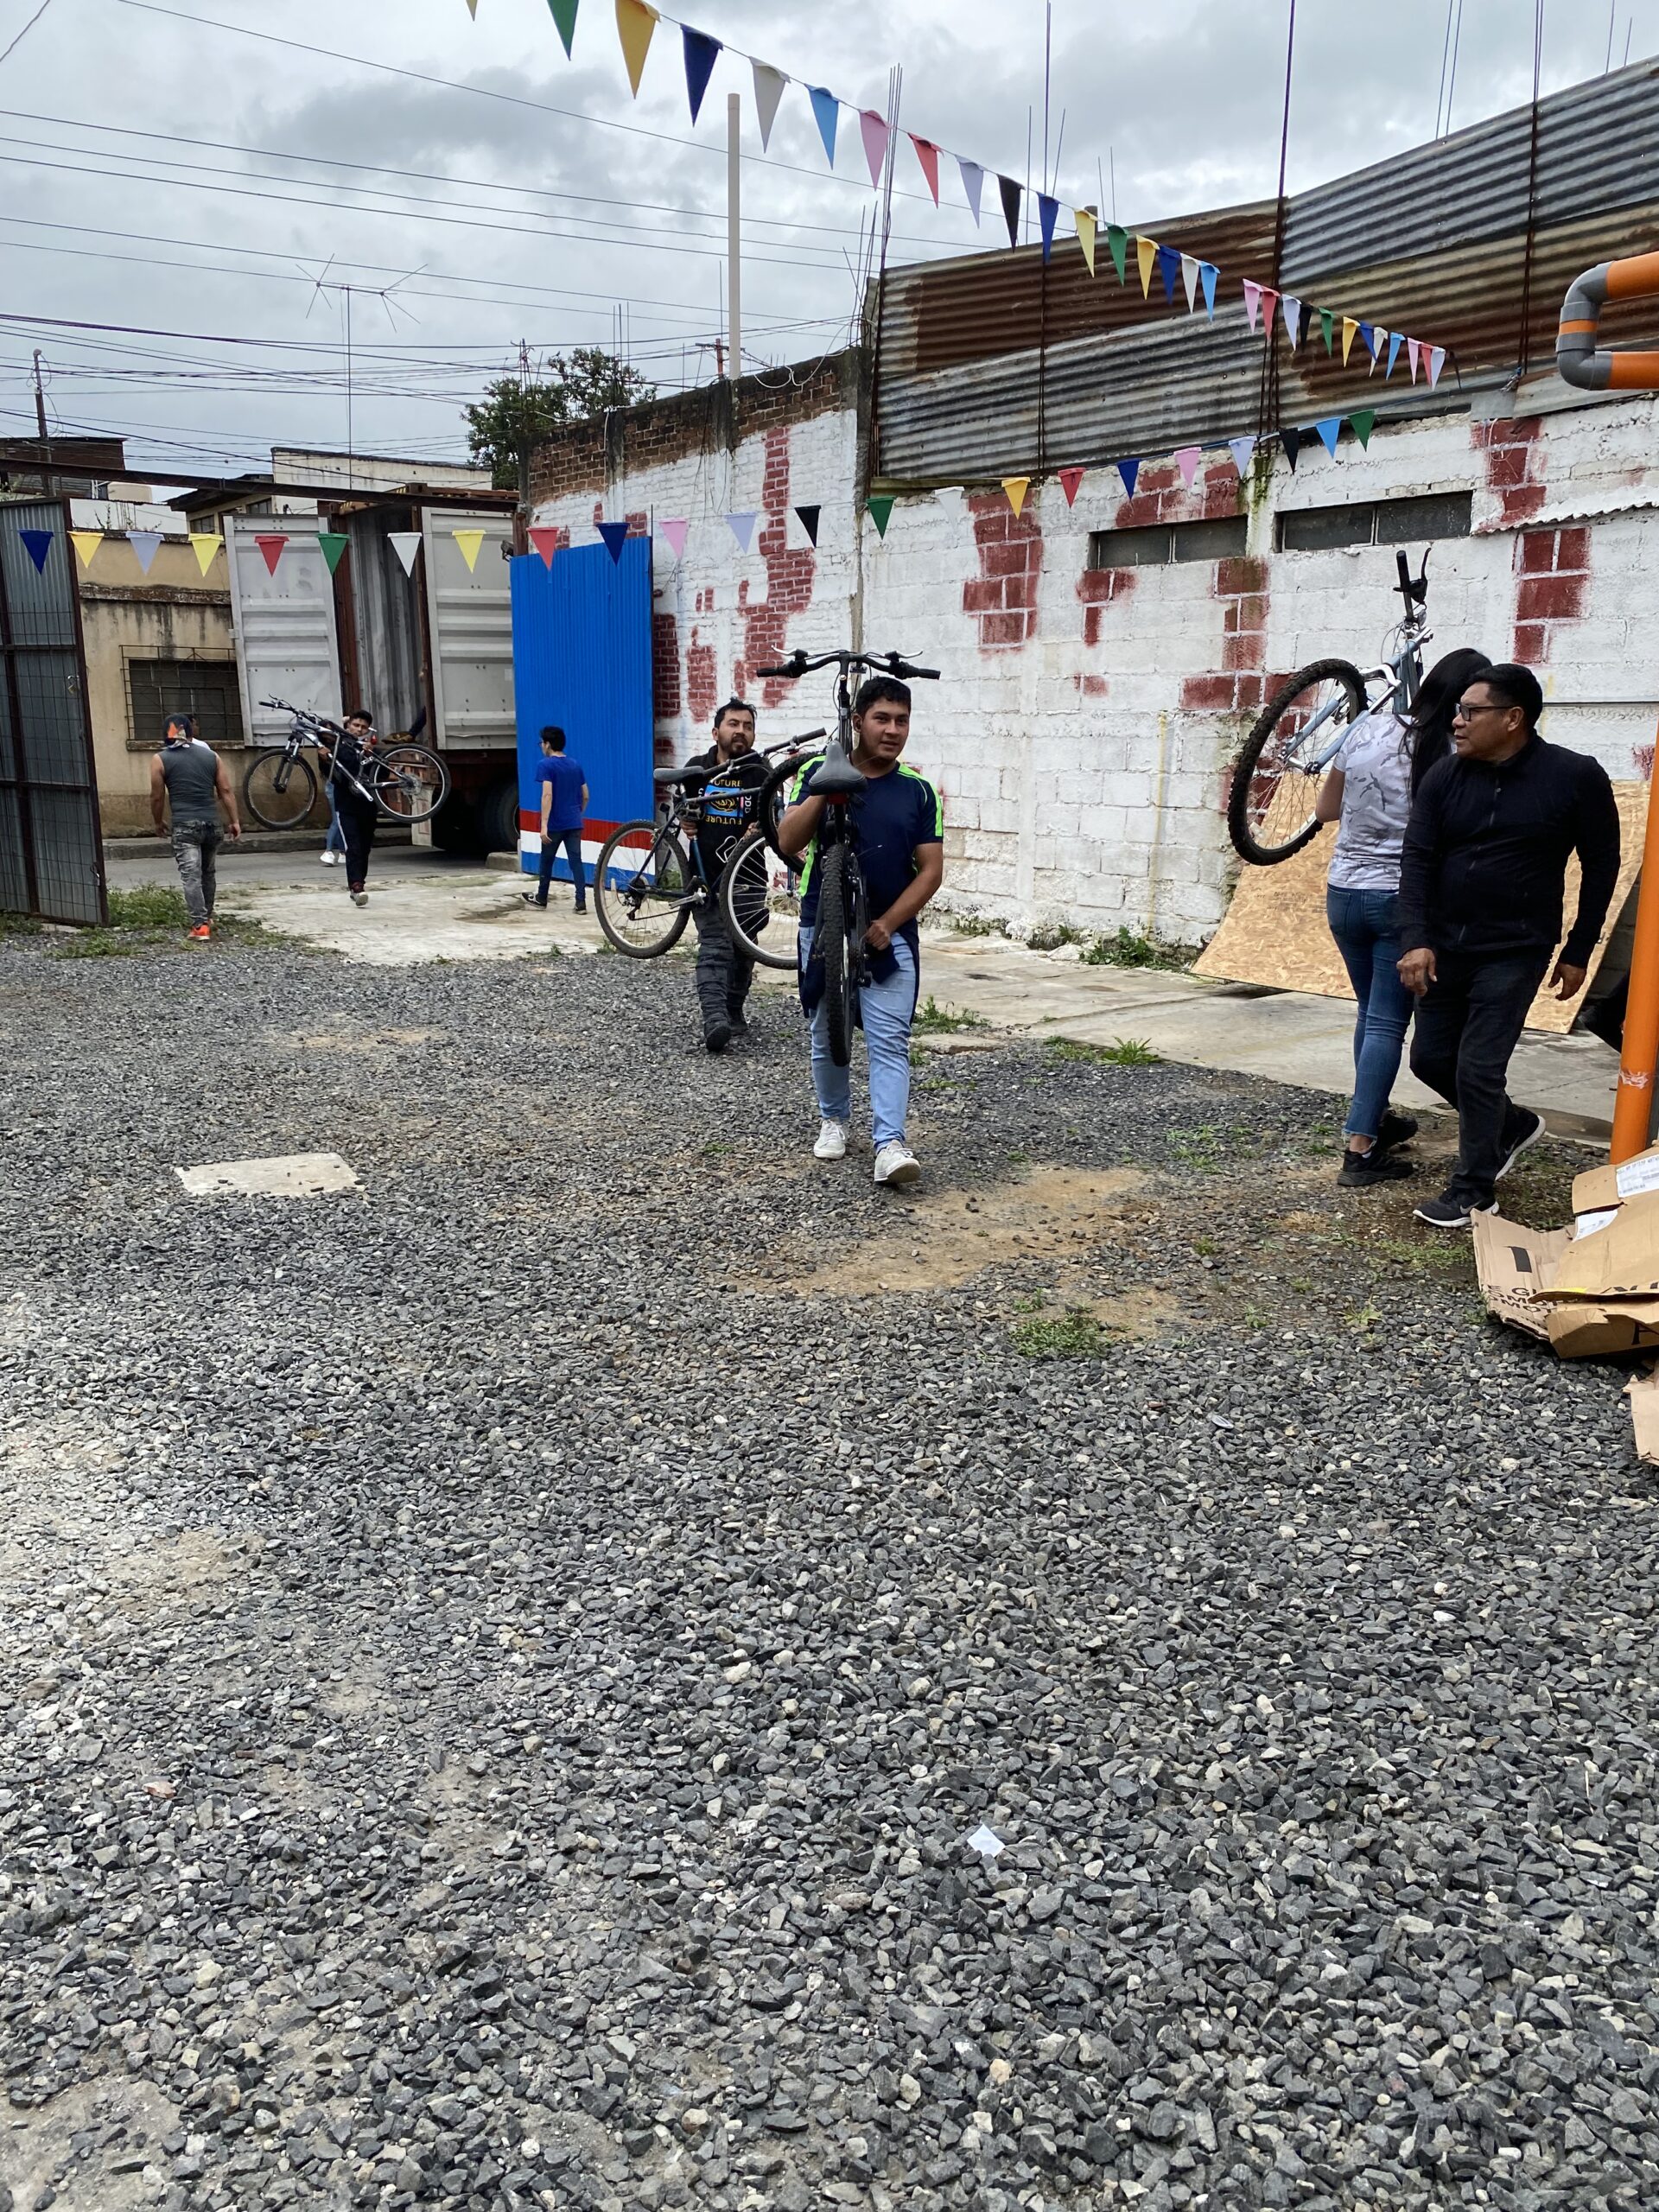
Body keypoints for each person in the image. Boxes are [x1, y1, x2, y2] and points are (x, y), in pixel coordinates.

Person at [1397, 662, 1620, 1230]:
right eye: (1458, 711)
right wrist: (1416, 939)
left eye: (1471, 712)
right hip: (1445, 945)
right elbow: (1416, 859)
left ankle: (1473, 1190)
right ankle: (1512, 1124)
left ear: (1513, 718)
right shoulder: (1445, 776)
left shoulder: (1574, 777)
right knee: (1430, 1059)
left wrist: (1580, 948)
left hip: (1516, 947)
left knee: (1478, 1066)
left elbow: (1602, 865)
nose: (1457, 721)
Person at [1315, 648, 1491, 1190]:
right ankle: (1360, 1148)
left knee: (1370, 1015)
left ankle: (1376, 1117)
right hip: (1402, 900)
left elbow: (1325, 811)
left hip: (1344, 890)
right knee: (1387, 1023)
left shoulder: (1367, 727)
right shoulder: (1456, 751)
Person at [777, 676, 944, 1189]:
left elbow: (931, 871)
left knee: (890, 1039)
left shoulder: (918, 790)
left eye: (902, 721)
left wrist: (888, 924)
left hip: (890, 930)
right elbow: (787, 839)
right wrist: (828, 789)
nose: (893, 730)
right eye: (882, 719)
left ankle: (889, 1144)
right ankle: (833, 1120)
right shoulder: (815, 772)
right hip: (823, 922)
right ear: (858, 721)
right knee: (826, 1030)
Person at [683, 699, 767, 1052]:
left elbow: (775, 816)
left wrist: (763, 826)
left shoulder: (761, 772)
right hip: (706, 876)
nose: (741, 731)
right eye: (734, 724)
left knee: (745, 949)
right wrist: (687, 820)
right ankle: (714, 1020)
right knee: (715, 945)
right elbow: (684, 809)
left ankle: (733, 1009)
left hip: (749, 877)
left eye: (748, 726)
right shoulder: (696, 770)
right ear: (716, 731)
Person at [149, 711, 240, 940]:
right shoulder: (212, 756)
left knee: (191, 876)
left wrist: (158, 822)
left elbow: (157, 797)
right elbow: (226, 790)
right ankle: (207, 917)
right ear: (190, 731)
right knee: (208, 872)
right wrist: (234, 821)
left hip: (185, 826)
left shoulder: (160, 759)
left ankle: (200, 926)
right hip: (212, 824)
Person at [522, 726, 588, 914]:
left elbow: (547, 795)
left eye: (542, 743)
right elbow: (585, 795)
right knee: (576, 862)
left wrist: (543, 825)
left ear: (548, 744)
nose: (541, 746)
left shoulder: (546, 765)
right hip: (574, 822)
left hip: (555, 824)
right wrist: (578, 813)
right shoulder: (575, 765)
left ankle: (542, 898)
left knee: (547, 861)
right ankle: (581, 902)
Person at [325, 709, 378, 909]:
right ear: (348, 726)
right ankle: (356, 886)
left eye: (364, 727)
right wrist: (324, 758)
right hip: (346, 806)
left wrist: (370, 756)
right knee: (353, 847)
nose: (359, 729)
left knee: (364, 848)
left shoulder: (371, 749)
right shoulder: (338, 746)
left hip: (368, 806)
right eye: (356, 725)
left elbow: (380, 774)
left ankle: (359, 883)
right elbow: (330, 774)